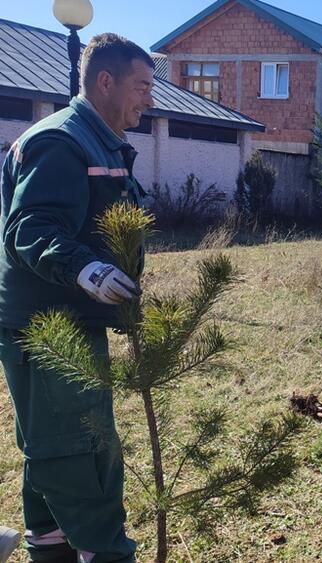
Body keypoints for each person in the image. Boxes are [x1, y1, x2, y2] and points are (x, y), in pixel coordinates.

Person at [0, 33, 154, 563]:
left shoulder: (100, 141)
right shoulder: (62, 141)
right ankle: (104, 551)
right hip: (44, 326)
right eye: (141, 86)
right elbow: (30, 227)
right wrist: (87, 269)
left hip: (70, 317)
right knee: (75, 443)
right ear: (104, 81)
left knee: (50, 437)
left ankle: (52, 547)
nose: (149, 99)